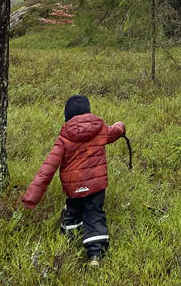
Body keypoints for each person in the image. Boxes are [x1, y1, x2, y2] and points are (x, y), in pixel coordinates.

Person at [22, 95, 126, 268]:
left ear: (67, 116)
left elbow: (47, 169)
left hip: (74, 188)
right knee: (94, 214)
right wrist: (121, 126)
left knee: (73, 211)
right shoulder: (100, 129)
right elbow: (114, 132)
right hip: (96, 187)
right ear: (88, 111)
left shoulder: (64, 137)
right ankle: (95, 255)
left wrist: (32, 197)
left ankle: (69, 242)